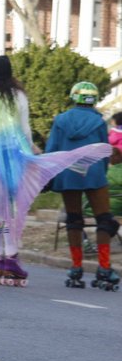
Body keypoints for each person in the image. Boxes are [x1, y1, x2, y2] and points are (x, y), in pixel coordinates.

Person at [0, 57, 109, 287]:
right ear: (10, 73)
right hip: (10, 158)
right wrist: (31, 150)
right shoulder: (17, 95)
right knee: (7, 207)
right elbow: (24, 128)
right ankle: (11, 259)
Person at [47, 82, 119, 291]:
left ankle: (76, 267)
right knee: (104, 219)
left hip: (68, 174)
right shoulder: (98, 122)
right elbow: (104, 151)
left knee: (74, 219)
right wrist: (101, 172)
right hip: (94, 173)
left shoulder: (60, 120)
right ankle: (104, 267)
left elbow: (52, 150)